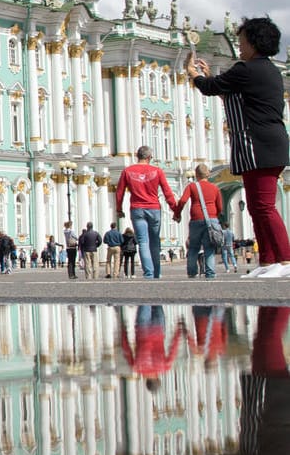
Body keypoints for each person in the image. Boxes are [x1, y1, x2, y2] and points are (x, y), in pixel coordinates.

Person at [190, 16, 290, 278]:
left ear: (254, 42)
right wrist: (210, 77)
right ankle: (268, 260)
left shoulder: (247, 69)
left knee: (265, 206)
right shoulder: (266, 71)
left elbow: (212, 88)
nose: (240, 45)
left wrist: (197, 77)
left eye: (242, 40)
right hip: (260, 145)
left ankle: (286, 259)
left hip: (259, 144)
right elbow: (231, 93)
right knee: (257, 207)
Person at [205, 305, 290, 455]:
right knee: (269, 338)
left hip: (278, 396)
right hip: (271, 397)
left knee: (263, 339)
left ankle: (273, 298)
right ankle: (282, 295)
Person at [114, 146, 179, 279]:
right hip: (154, 208)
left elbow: (119, 192)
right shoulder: (157, 171)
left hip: (137, 209)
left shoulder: (127, 171)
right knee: (154, 241)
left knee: (143, 242)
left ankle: (148, 273)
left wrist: (119, 209)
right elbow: (167, 192)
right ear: (149, 157)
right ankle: (156, 272)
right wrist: (175, 210)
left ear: (137, 156)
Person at [176, 164, 224, 280]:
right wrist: (213, 216)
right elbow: (220, 208)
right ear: (208, 174)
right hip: (211, 220)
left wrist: (177, 214)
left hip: (196, 220)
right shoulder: (215, 188)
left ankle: (192, 273)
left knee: (193, 248)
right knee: (209, 248)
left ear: (196, 175)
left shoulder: (192, 186)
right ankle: (210, 273)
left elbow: (182, 200)